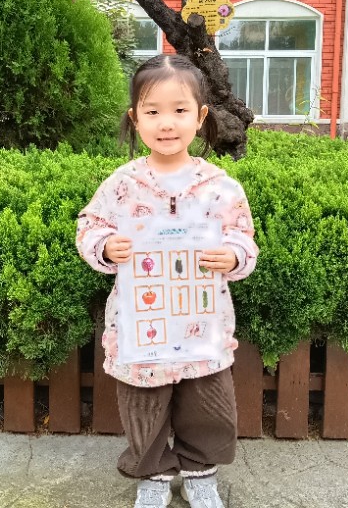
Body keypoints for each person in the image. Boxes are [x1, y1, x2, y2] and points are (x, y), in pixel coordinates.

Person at [76, 54, 258, 508]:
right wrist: (105, 246)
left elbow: (244, 238)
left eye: (179, 110)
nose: (166, 123)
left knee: (208, 404)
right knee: (143, 404)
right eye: (152, 111)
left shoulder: (220, 186)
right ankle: (154, 473)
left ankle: (200, 471)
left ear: (200, 116)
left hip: (202, 323)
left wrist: (233, 255)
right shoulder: (122, 184)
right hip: (142, 323)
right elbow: (90, 225)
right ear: (135, 118)